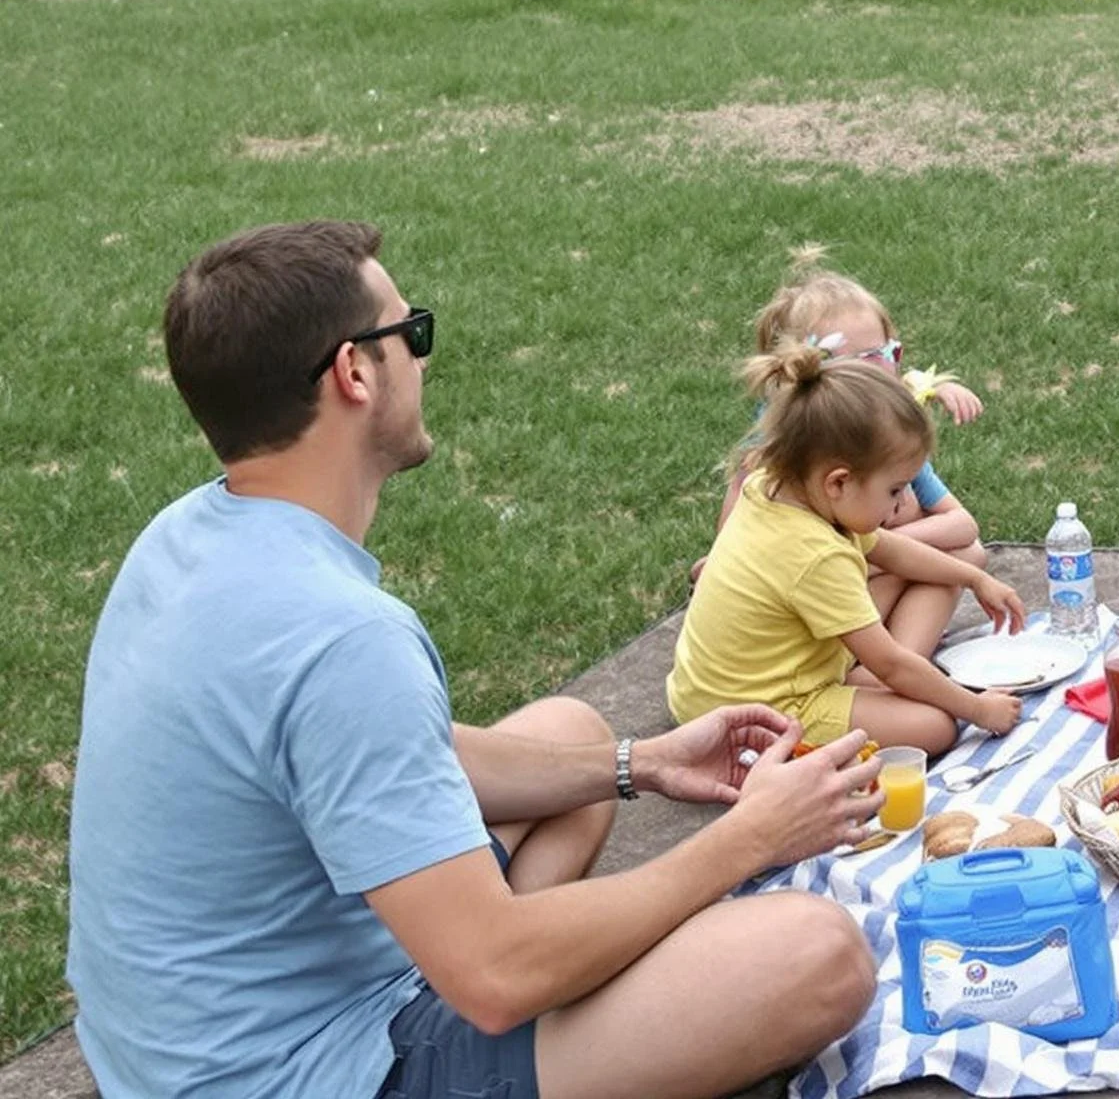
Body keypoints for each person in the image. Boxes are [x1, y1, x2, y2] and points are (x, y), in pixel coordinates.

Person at [68, 221, 884, 1099]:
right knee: (817, 954)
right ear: (352, 372)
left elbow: (386, 753)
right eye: (409, 334)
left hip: (187, 1044)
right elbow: (492, 981)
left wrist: (639, 764)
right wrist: (747, 839)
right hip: (304, 1071)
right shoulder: (343, 638)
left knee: (575, 738)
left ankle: (551, 984)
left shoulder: (186, 535)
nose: (421, 359)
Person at [668, 338, 1028, 755]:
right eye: (895, 490)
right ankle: (770, 758)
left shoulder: (776, 488)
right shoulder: (816, 554)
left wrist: (974, 577)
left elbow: (889, 549)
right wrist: (979, 709)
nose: (901, 504)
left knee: (918, 667)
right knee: (936, 727)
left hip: (706, 695)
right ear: (838, 481)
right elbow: (890, 663)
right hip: (757, 714)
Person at [693, 258, 986, 664]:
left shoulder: (888, 433)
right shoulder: (782, 450)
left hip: (855, 574)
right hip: (812, 598)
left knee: (966, 555)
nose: (884, 369)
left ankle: (899, 663)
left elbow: (963, 525)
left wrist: (879, 552)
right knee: (943, 560)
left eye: (887, 352)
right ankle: (892, 670)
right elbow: (732, 548)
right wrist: (877, 555)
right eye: (863, 360)